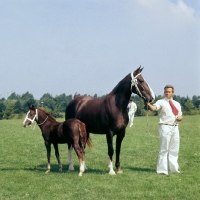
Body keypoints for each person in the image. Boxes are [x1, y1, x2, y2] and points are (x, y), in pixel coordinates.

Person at [146, 84, 182, 175]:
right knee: (164, 149)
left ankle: (174, 169)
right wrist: (149, 105)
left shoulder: (177, 104)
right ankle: (162, 170)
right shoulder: (161, 102)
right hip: (165, 127)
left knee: (174, 149)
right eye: (166, 92)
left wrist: (179, 118)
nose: (167, 93)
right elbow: (154, 108)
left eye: (169, 92)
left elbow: (180, 115)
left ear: (172, 93)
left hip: (175, 127)